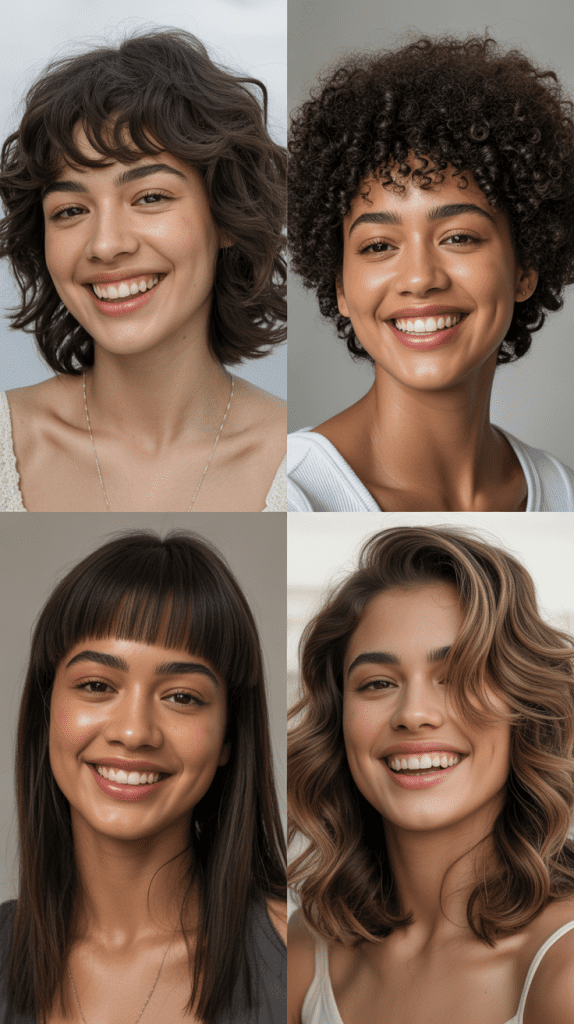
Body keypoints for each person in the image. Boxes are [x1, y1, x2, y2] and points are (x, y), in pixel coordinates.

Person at [288, 526, 574, 1024]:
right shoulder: (301, 951)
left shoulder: (563, 970)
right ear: (338, 720)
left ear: (524, 709)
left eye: (458, 677)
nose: (414, 714)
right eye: (377, 683)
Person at [0, 531, 286, 1023]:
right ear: (48, 709)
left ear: (228, 739)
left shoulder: (297, 950)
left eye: (182, 697)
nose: (134, 732)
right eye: (96, 685)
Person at [0, 30, 286, 512]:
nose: (106, 244)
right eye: (70, 210)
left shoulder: (299, 465)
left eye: (150, 197)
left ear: (227, 217)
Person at [287, 35, 574, 512]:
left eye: (459, 237)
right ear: (339, 285)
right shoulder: (292, 495)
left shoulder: (564, 498)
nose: (419, 279)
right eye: (378, 246)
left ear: (525, 267)